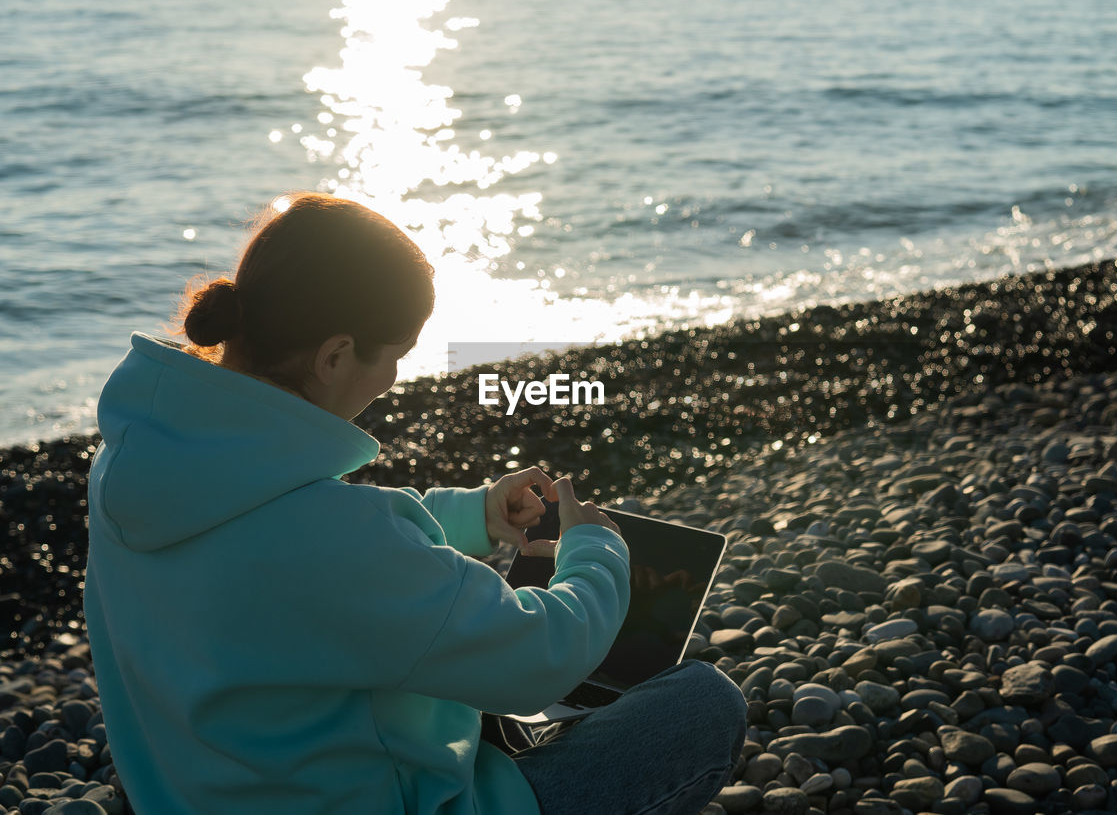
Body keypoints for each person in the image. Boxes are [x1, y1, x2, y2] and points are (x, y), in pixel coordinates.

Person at [83, 192, 746, 815]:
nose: (394, 380)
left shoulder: (134, 471)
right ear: (336, 355)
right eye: (396, 357)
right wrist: (600, 552)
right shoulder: (337, 540)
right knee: (701, 704)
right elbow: (543, 658)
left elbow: (320, 551)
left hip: (196, 788)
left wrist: (477, 516)